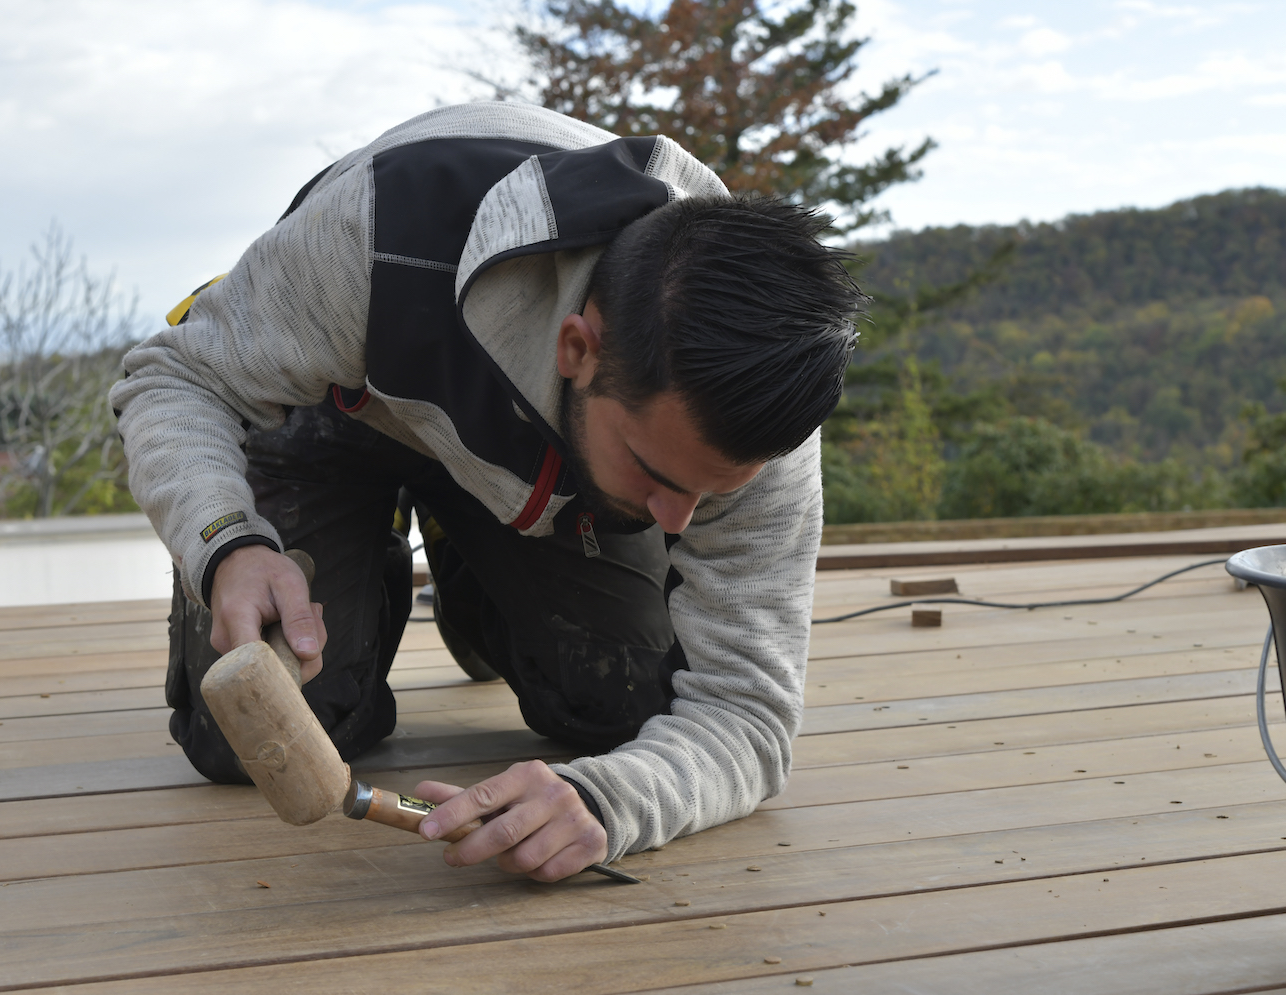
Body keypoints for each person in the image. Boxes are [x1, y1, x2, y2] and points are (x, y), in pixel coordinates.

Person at [111, 101, 862, 883]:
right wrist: (227, 542)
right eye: (659, 476)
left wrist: (606, 801)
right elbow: (173, 378)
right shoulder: (375, 237)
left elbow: (748, 713)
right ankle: (381, 536)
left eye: (711, 493)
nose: (678, 521)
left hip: (535, 457)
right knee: (251, 735)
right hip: (334, 403)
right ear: (580, 347)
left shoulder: (760, 405)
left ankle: (475, 558)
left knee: (625, 710)